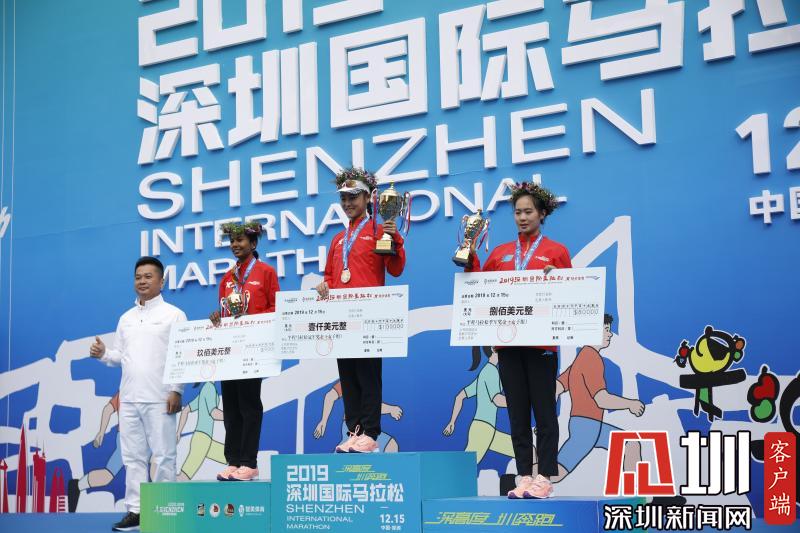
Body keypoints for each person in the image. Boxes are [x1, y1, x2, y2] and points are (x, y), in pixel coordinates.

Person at [464, 181, 570, 499]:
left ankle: (545, 476)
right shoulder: (500, 253)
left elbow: (572, 294)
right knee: (517, 413)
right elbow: (479, 285)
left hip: (541, 346)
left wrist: (557, 280)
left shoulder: (556, 252)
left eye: (528, 212)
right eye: (518, 212)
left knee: (545, 412)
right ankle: (524, 475)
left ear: (542, 214)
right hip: (508, 345)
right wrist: (469, 257)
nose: (522, 217)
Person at [89, 256, 186, 531]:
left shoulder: (174, 315)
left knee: (164, 456)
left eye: (148, 276)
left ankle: (166, 512)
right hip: (129, 399)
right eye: (138, 277)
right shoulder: (126, 318)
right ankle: (136, 511)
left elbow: (181, 355)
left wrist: (176, 390)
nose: (142, 281)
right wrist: (103, 353)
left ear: (161, 281)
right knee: (132, 458)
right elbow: (120, 356)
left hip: (160, 398)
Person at [315, 167, 406, 453]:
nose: (348, 203)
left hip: (370, 319)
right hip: (342, 320)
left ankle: (370, 432)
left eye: (353, 197)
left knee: (368, 377)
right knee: (348, 377)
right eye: (343, 198)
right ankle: (354, 431)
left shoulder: (380, 230)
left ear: (368, 198)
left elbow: (396, 269)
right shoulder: (337, 239)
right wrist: (324, 286)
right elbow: (331, 276)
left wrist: (395, 238)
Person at [209, 221, 279, 481]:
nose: (235, 245)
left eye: (240, 240)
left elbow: (276, 308)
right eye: (232, 241)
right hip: (231, 350)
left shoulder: (266, 272)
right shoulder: (227, 278)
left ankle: (249, 462)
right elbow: (225, 312)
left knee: (249, 406)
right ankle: (233, 460)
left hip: (254, 349)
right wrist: (218, 318)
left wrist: (254, 321)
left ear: (253, 243)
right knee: (231, 407)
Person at [544, 314, 644, 481]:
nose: (610, 334)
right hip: (587, 427)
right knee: (555, 473)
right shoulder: (591, 358)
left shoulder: (581, 357)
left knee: (631, 443)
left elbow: (556, 388)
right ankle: (517, 480)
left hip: (588, 425)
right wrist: (630, 404)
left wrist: (546, 419)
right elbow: (601, 399)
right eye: (606, 330)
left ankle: (635, 491)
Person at [443, 346, 514, 463]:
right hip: (483, 429)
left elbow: (460, 396)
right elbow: (497, 400)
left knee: (528, 452)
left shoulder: (484, 373)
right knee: (466, 465)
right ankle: (442, 474)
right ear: (493, 350)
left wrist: (452, 422)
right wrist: (520, 403)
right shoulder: (491, 371)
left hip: (487, 429)